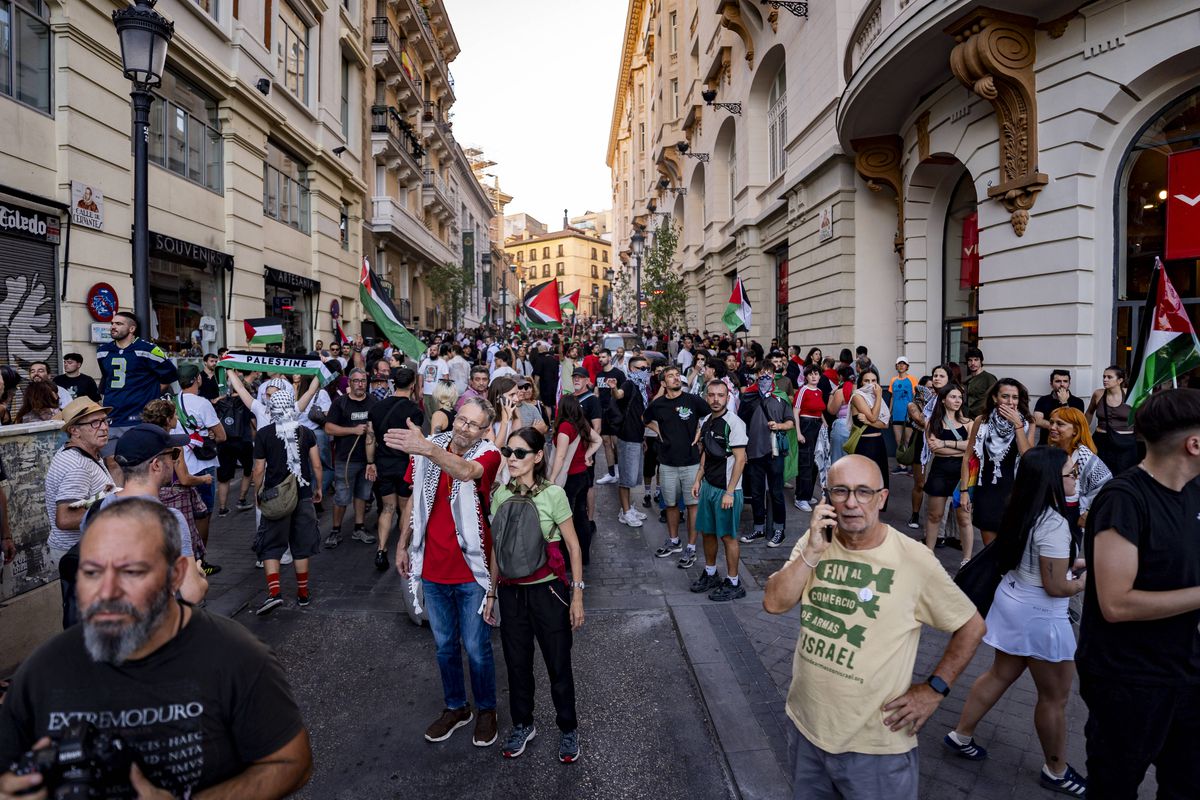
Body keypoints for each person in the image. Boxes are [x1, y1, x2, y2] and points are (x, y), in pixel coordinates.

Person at [0, 499, 313, 799]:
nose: (106, 592)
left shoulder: (238, 658)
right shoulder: (41, 673)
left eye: (132, 572)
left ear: (175, 574)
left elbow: (291, 763)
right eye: (92, 572)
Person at [763, 455, 985, 799]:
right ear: (827, 497)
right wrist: (811, 551)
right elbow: (774, 603)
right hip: (806, 728)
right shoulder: (816, 544)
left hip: (875, 747)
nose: (851, 502)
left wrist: (934, 690)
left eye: (864, 492)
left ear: (882, 498)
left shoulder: (914, 559)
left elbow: (971, 626)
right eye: (841, 491)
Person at [1074, 387, 1200, 798]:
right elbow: (1116, 603)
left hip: (1187, 674)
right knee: (1115, 787)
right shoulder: (1124, 500)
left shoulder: (1195, 492)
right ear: (1194, 444)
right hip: (1128, 681)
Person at [943, 447, 1088, 797]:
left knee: (1001, 673)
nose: (1075, 479)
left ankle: (960, 735)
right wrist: (1085, 580)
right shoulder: (1053, 523)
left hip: (1013, 600)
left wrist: (1072, 565)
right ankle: (1056, 769)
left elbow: (1037, 561)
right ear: (1053, 480)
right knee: (1054, 698)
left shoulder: (1023, 505)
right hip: (1039, 615)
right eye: (1070, 474)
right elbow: (1056, 586)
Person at [391, 397, 503, 748]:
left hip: (472, 571)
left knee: (476, 647)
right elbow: (414, 498)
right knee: (443, 646)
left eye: (473, 424)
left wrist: (425, 447)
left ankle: (487, 711)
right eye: (461, 420)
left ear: (485, 430)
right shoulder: (432, 447)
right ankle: (456, 708)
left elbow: (464, 472)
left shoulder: (489, 454)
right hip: (432, 568)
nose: (463, 427)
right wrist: (403, 542)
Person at [487, 428, 586, 763]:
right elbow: (497, 550)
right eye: (507, 452)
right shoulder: (500, 494)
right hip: (511, 595)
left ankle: (568, 728)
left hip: (548, 593)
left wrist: (577, 596)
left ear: (538, 456)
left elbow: (573, 546)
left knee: (558, 664)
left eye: (519, 453)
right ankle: (523, 724)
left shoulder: (553, 494)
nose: (511, 459)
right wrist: (490, 594)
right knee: (517, 666)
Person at [99, 422, 208, 604]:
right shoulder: (170, 519)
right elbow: (192, 593)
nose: (176, 460)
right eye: (173, 454)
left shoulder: (100, 508)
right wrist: (199, 576)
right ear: (156, 465)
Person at [43, 398, 115, 628]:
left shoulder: (87, 455)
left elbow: (89, 500)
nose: (103, 427)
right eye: (94, 423)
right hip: (77, 553)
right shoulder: (78, 465)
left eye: (104, 421)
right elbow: (64, 518)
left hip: (83, 552)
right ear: (74, 431)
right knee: (89, 624)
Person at [251, 391, 324, 615]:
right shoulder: (306, 432)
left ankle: (274, 593)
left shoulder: (263, 434)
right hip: (302, 496)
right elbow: (316, 465)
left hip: (275, 497)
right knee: (301, 545)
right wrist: (318, 488)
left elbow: (259, 469)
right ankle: (303, 593)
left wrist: (257, 492)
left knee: (271, 544)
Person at [643, 365, 710, 567]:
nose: (675, 378)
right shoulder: (659, 404)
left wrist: (699, 435)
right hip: (667, 463)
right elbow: (645, 419)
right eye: (670, 376)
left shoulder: (692, 400)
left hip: (691, 463)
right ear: (663, 383)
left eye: (676, 375)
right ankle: (674, 541)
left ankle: (690, 547)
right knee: (670, 504)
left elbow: (709, 416)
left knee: (692, 505)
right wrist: (659, 431)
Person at [689, 380, 749, 600]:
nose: (715, 399)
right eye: (712, 395)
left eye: (720, 395)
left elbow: (741, 460)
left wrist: (730, 492)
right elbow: (707, 452)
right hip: (709, 487)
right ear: (706, 396)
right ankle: (711, 573)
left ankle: (734, 583)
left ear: (727, 397)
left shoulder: (734, 423)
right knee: (708, 532)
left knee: (728, 537)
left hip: (727, 490)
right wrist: (698, 479)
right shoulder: (706, 421)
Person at [962, 378, 1034, 546]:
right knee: (991, 550)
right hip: (987, 491)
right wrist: (965, 491)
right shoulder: (982, 421)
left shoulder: (1027, 422)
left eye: (1015, 397)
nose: (1010, 402)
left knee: (1011, 550)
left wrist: (1017, 425)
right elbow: (968, 456)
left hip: (1015, 492)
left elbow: (1028, 457)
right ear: (995, 398)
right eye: (1005, 396)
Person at [367, 367, 423, 571]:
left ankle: (381, 550)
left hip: (383, 464)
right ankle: (403, 549)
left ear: (393, 383)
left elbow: (370, 438)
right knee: (404, 509)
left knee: (386, 508)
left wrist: (370, 462)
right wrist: (416, 472)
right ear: (412, 385)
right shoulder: (415, 411)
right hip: (404, 467)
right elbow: (414, 444)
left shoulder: (377, 408)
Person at [96, 311, 179, 440]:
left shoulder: (149, 350)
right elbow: (106, 377)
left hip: (139, 417)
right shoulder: (103, 351)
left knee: (139, 458)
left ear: (132, 328)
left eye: (118, 324)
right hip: (112, 417)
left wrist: (149, 395)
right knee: (111, 459)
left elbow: (169, 375)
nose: (113, 326)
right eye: (112, 323)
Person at [171, 364, 226, 554]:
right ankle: (200, 557)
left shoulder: (172, 401)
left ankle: (184, 554)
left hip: (179, 465)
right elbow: (222, 436)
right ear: (197, 379)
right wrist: (208, 434)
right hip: (203, 465)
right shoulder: (203, 403)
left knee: (183, 513)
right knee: (204, 514)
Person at [738, 362, 794, 547]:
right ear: (756, 375)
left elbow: (790, 422)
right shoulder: (748, 397)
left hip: (774, 452)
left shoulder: (781, 397)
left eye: (768, 373)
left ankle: (779, 530)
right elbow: (741, 424)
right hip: (754, 452)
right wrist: (742, 451)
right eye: (761, 373)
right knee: (756, 493)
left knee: (777, 493)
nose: (764, 376)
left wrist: (779, 426)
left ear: (774, 375)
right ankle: (759, 528)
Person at [323, 368, 377, 548]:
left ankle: (359, 527)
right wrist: (353, 430)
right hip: (345, 459)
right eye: (356, 381)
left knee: (362, 494)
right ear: (350, 383)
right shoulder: (340, 403)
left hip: (368, 460)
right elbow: (329, 428)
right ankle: (335, 530)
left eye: (363, 381)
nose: (360, 384)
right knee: (341, 496)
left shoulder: (373, 401)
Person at [922, 384, 974, 562]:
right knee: (934, 515)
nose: (957, 400)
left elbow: (972, 448)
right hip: (940, 471)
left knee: (964, 518)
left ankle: (966, 560)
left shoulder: (969, 423)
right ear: (943, 400)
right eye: (953, 397)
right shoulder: (933, 422)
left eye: (960, 397)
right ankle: (929, 555)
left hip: (963, 473)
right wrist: (961, 448)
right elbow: (934, 448)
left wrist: (945, 444)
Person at [549, 395, 601, 566]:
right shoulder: (581, 423)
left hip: (569, 479)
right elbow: (598, 440)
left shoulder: (565, 427)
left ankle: (568, 557)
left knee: (566, 519)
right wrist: (586, 456)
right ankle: (584, 556)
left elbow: (560, 456)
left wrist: (552, 478)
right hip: (583, 476)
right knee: (581, 516)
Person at [1046, 407, 1112, 531]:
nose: (1052, 427)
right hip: (1052, 515)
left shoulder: (1085, 457)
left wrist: (1088, 512)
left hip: (1073, 518)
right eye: (1051, 422)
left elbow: (1107, 486)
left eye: (1059, 424)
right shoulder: (1052, 450)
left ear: (1075, 430)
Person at [612, 354, 650, 528]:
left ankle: (628, 508)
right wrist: (613, 388)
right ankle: (625, 512)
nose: (645, 371)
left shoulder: (642, 388)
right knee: (626, 478)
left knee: (634, 477)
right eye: (641, 368)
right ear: (632, 369)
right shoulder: (629, 384)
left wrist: (643, 438)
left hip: (637, 437)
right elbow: (619, 395)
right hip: (627, 438)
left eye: (647, 368)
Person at [848, 368, 890, 509]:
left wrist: (867, 421)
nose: (871, 384)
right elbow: (874, 416)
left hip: (879, 443)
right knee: (865, 481)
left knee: (879, 480)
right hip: (865, 445)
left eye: (874, 381)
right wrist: (879, 396)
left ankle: (874, 511)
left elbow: (884, 424)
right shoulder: (857, 396)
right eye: (866, 381)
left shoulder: (874, 398)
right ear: (861, 382)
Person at [1085, 365, 1138, 475]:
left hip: (1126, 443)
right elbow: (1089, 412)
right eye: (1104, 377)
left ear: (1120, 380)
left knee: (1124, 475)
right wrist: (1085, 432)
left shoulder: (1131, 394)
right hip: (1101, 441)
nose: (1105, 380)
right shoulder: (1098, 394)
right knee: (1099, 474)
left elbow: (1141, 416)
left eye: (1109, 377)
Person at [792, 365, 826, 512]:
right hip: (805, 426)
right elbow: (795, 412)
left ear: (819, 376)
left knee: (815, 463)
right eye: (811, 374)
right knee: (805, 462)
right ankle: (800, 498)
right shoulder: (803, 391)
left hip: (817, 427)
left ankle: (807, 494)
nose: (813, 377)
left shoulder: (819, 391)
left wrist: (824, 422)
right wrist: (798, 432)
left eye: (816, 374)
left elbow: (819, 410)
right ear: (806, 376)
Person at [595, 349, 625, 486]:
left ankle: (620, 470)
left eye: (603, 357)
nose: (600, 359)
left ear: (609, 358)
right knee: (606, 442)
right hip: (602, 412)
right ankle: (611, 473)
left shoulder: (618, 374)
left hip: (616, 413)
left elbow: (624, 394)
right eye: (599, 357)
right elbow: (596, 393)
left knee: (616, 443)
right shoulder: (599, 374)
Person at [1032, 369, 1085, 445]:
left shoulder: (1078, 402)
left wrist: (1064, 403)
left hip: (1068, 445)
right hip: (1046, 444)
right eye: (1058, 381)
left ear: (1069, 384)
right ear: (1051, 384)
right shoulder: (1043, 400)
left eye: (1065, 381)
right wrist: (1060, 426)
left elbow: (1076, 424)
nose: (1062, 384)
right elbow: (1037, 420)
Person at [889, 357, 917, 473]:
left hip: (908, 415)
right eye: (899, 364)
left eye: (903, 364)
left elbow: (916, 397)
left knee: (908, 440)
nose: (901, 366)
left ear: (907, 366)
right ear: (896, 366)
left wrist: (915, 413)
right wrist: (889, 413)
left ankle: (912, 465)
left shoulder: (912, 379)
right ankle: (902, 466)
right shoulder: (893, 380)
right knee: (898, 440)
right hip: (896, 414)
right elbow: (892, 397)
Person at [962, 347, 997, 419]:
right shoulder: (967, 379)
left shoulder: (989, 378)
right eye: (970, 360)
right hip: (969, 418)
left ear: (981, 361)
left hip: (983, 418)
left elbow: (996, 400)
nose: (973, 363)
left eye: (976, 360)